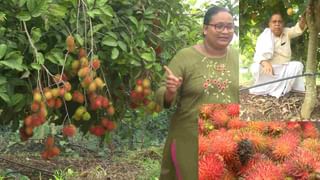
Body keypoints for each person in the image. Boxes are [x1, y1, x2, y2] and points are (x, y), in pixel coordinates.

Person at [155, 6, 239, 180]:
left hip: (229, 139)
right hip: (190, 140)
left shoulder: (237, 57)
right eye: (219, 26)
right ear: (205, 28)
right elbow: (161, 93)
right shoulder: (185, 57)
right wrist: (170, 91)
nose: (225, 31)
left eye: (230, 26)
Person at [249, 12, 307, 98]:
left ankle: (282, 88)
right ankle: (275, 88)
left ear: (283, 24)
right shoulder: (264, 36)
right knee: (254, 67)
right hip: (270, 71)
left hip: (285, 69)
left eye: (279, 22)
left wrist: (303, 19)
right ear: (269, 24)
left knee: (298, 65)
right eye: (274, 21)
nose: (277, 24)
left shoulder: (287, 32)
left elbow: (297, 29)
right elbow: (258, 54)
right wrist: (265, 62)